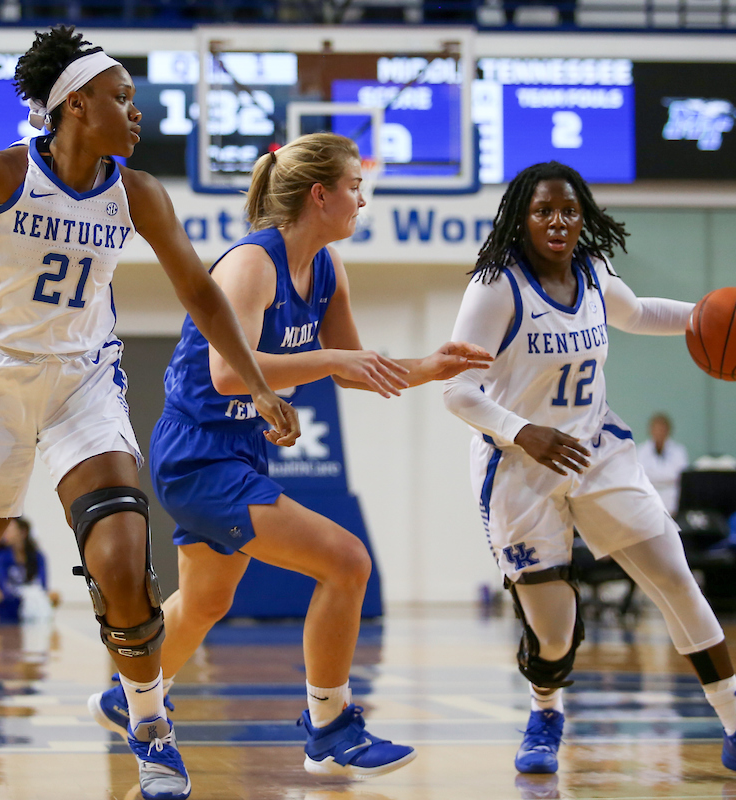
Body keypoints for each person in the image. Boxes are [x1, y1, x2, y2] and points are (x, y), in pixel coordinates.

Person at [0, 25, 298, 799]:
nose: (135, 113)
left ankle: (150, 728)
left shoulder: (136, 191)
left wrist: (258, 381)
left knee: (123, 567)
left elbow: (199, 291)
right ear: (74, 104)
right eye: (121, 97)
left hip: (83, 379)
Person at [86, 132, 491, 787]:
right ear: (320, 193)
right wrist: (330, 361)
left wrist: (427, 366)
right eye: (355, 186)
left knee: (208, 600)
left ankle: (129, 692)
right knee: (346, 561)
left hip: (239, 450)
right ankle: (329, 726)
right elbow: (225, 372)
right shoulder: (251, 264)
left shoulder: (328, 268)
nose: (363, 198)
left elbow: (358, 370)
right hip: (196, 455)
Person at [441, 161, 736, 780]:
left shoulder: (594, 271)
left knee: (675, 576)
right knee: (553, 635)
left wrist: (718, 319)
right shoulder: (496, 286)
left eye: (569, 211)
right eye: (543, 211)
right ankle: (545, 711)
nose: (558, 222)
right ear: (521, 219)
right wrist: (524, 431)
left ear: (583, 218)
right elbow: (456, 390)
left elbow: (635, 313)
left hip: (595, 450)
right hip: (518, 465)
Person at [0, 517, 60, 622]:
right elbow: (2, 584)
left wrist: (32, 594)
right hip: (12, 596)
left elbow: (43, 584)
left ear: (22, 532)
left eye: (9, 530)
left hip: (32, 594)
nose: (5, 534)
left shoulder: (37, 556)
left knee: (55, 595)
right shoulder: (3, 555)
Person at [635, 412, 688, 516]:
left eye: (662, 429)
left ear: (668, 431)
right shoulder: (641, 451)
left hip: (673, 504)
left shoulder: (679, 451)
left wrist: (654, 476)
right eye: (656, 429)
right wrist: (667, 477)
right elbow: (640, 476)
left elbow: (681, 476)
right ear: (651, 430)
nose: (659, 433)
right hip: (647, 503)